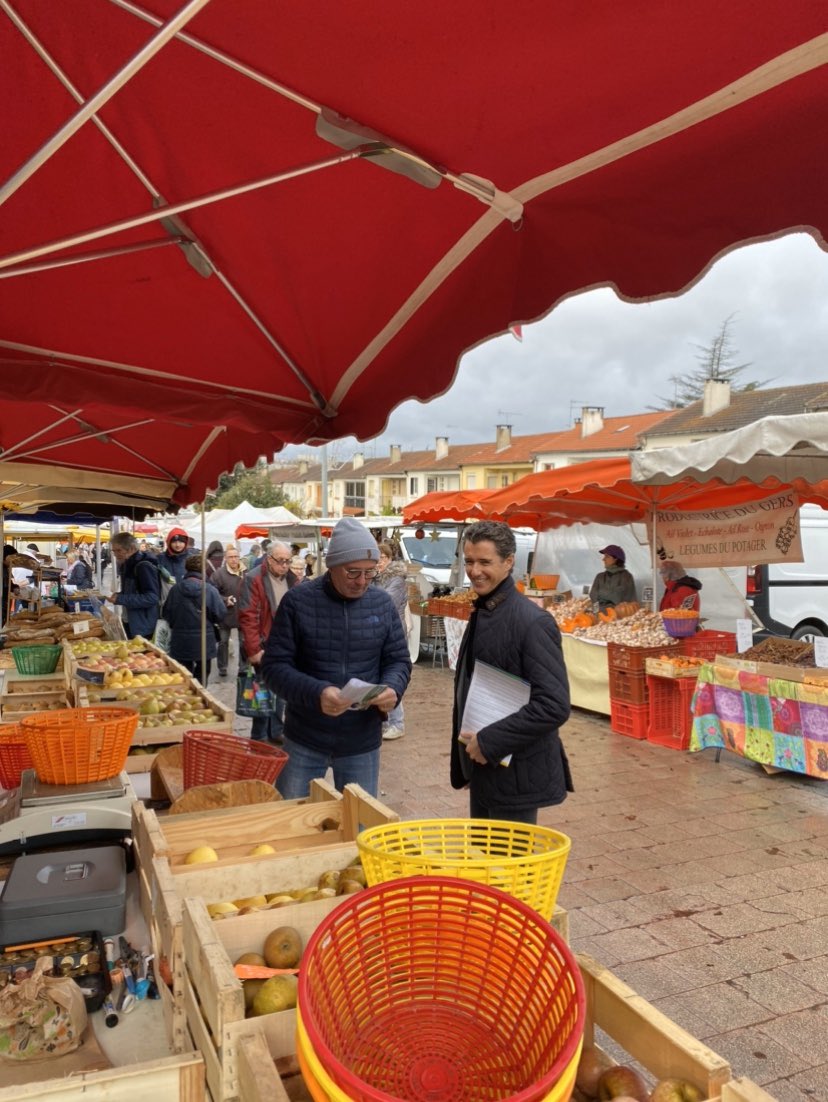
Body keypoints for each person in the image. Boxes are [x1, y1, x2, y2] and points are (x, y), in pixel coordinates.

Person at [261, 517, 411, 799]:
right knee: (295, 825)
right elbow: (274, 668)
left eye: (370, 573)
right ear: (332, 567)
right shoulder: (298, 601)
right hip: (305, 736)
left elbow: (398, 661)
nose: (362, 581)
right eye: (353, 572)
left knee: (360, 826)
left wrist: (394, 688)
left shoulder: (382, 603)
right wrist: (318, 693)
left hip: (361, 739)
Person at [451, 520, 572, 824]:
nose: (474, 570)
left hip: (516, 770)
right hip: (483, 763)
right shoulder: (484, 609)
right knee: (484, 861)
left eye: (484, 562)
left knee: (510, 868)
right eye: (469, 561)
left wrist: (490, 742)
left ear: (508, 562)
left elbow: (554, 705)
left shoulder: (532, 622)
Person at [238, 540, 299, 742]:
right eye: (280, 561)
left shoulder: (292, 579)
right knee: (262, 692)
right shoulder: (254, 579)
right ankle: (259, 736)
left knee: (281, 692)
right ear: (268, 558)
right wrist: (253, 649)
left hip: (285, 645)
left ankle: (276, 731)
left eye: (288, 561)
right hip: (264, 645)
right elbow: (248, 616)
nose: (284, 565)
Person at [161, 553, 226, 684]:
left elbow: (166, 613)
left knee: (183, 677)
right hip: (204, 640)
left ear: (187, 568)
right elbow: (220, 614)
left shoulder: (175, 589)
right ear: (204, 569)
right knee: (202, 677)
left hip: (180, 640)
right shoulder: (210, 590)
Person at [374, 541, 408, 740]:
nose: (379, 562)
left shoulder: (396, 579)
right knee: (379, 678)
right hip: (377, 634)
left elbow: (386, 602)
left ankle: (397, 723)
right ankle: (385, 721)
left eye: (383, 558)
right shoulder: (375, 578)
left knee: (392, 677)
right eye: (376, 558)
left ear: (389, 559)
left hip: (394, 636)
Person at [107, 531, 161, 640]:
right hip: (130, 621)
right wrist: (119, 595)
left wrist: (122, 598)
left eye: (119, 550)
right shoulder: (126, 565)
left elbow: (152, 598)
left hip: (143, 626)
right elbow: (133, 591)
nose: (116, 554)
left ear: (131, 548)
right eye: (114, 551)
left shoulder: (143, 567)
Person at [208, 545, 246, 676]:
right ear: (225, 558)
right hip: (225, 614)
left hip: (243, 613)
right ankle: (222, 667)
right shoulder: (218, 574)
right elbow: (211, 592)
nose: (234, 560)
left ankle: (243, 667)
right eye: (231, 557)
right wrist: (224, 600)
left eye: (236, 557)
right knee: (223, 642)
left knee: (243, 642)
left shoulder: (246, 572)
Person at [589, 544, 637, 611]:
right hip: (599, 615)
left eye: (607, 556)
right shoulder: (599, 577)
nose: (603, 559)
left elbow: (618, 598)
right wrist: (596, 613)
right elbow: (593, 596)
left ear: (616, 559)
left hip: (619, 616)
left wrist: (600, 594)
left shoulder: (626, 577)